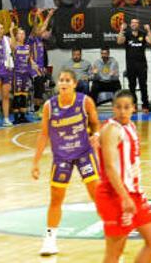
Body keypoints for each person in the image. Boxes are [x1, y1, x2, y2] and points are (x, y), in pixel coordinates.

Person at [31, 69, 101, 257]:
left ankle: (114, 231)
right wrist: (36, 162)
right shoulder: (49, 106)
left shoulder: (85, 101)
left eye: (67, 80)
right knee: (56, 198)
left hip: (84, 153)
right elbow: (44, 134)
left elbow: (95, 123)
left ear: (74, 84)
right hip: (62, 156)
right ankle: (50, 240)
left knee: (97, 194)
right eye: (61, 80)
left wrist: (97, 135)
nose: (63, 83)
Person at [95, 90, 151, 263]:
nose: (123, 111)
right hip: (115, 195)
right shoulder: (111, 130)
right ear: (113, 108)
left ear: (134, 108)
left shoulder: (130, 126)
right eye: (118, 107)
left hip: (134, 193)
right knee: (115, 253)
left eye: (127, 107)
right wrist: (124, 197)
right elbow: (110, 167)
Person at [116, 19, 151, 112]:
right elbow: (119, 41)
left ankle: (145, 105)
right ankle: (133, 105)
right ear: (130, 25)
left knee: (143, 85)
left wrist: (149, 30)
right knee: (132, 86)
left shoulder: (143, 34)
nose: (134, 24)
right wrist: (121, 29)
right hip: (131, 65)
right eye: (132, 23)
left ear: (139, 25)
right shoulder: (127, 34)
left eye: (136, 23)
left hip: (142, 65)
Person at [10, 27, 36, 124]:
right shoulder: (15, 46)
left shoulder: (28, 47)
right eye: (19, 34)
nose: (21, 35)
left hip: (26, 74)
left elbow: (30, 59)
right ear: (16, 36)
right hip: (17, 74)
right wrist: (11, 30)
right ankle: (16, 118)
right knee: (17, 96)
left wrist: (34, 65)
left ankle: (23, 116)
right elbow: (12, 43)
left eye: (23, 34)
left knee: (24, 95)